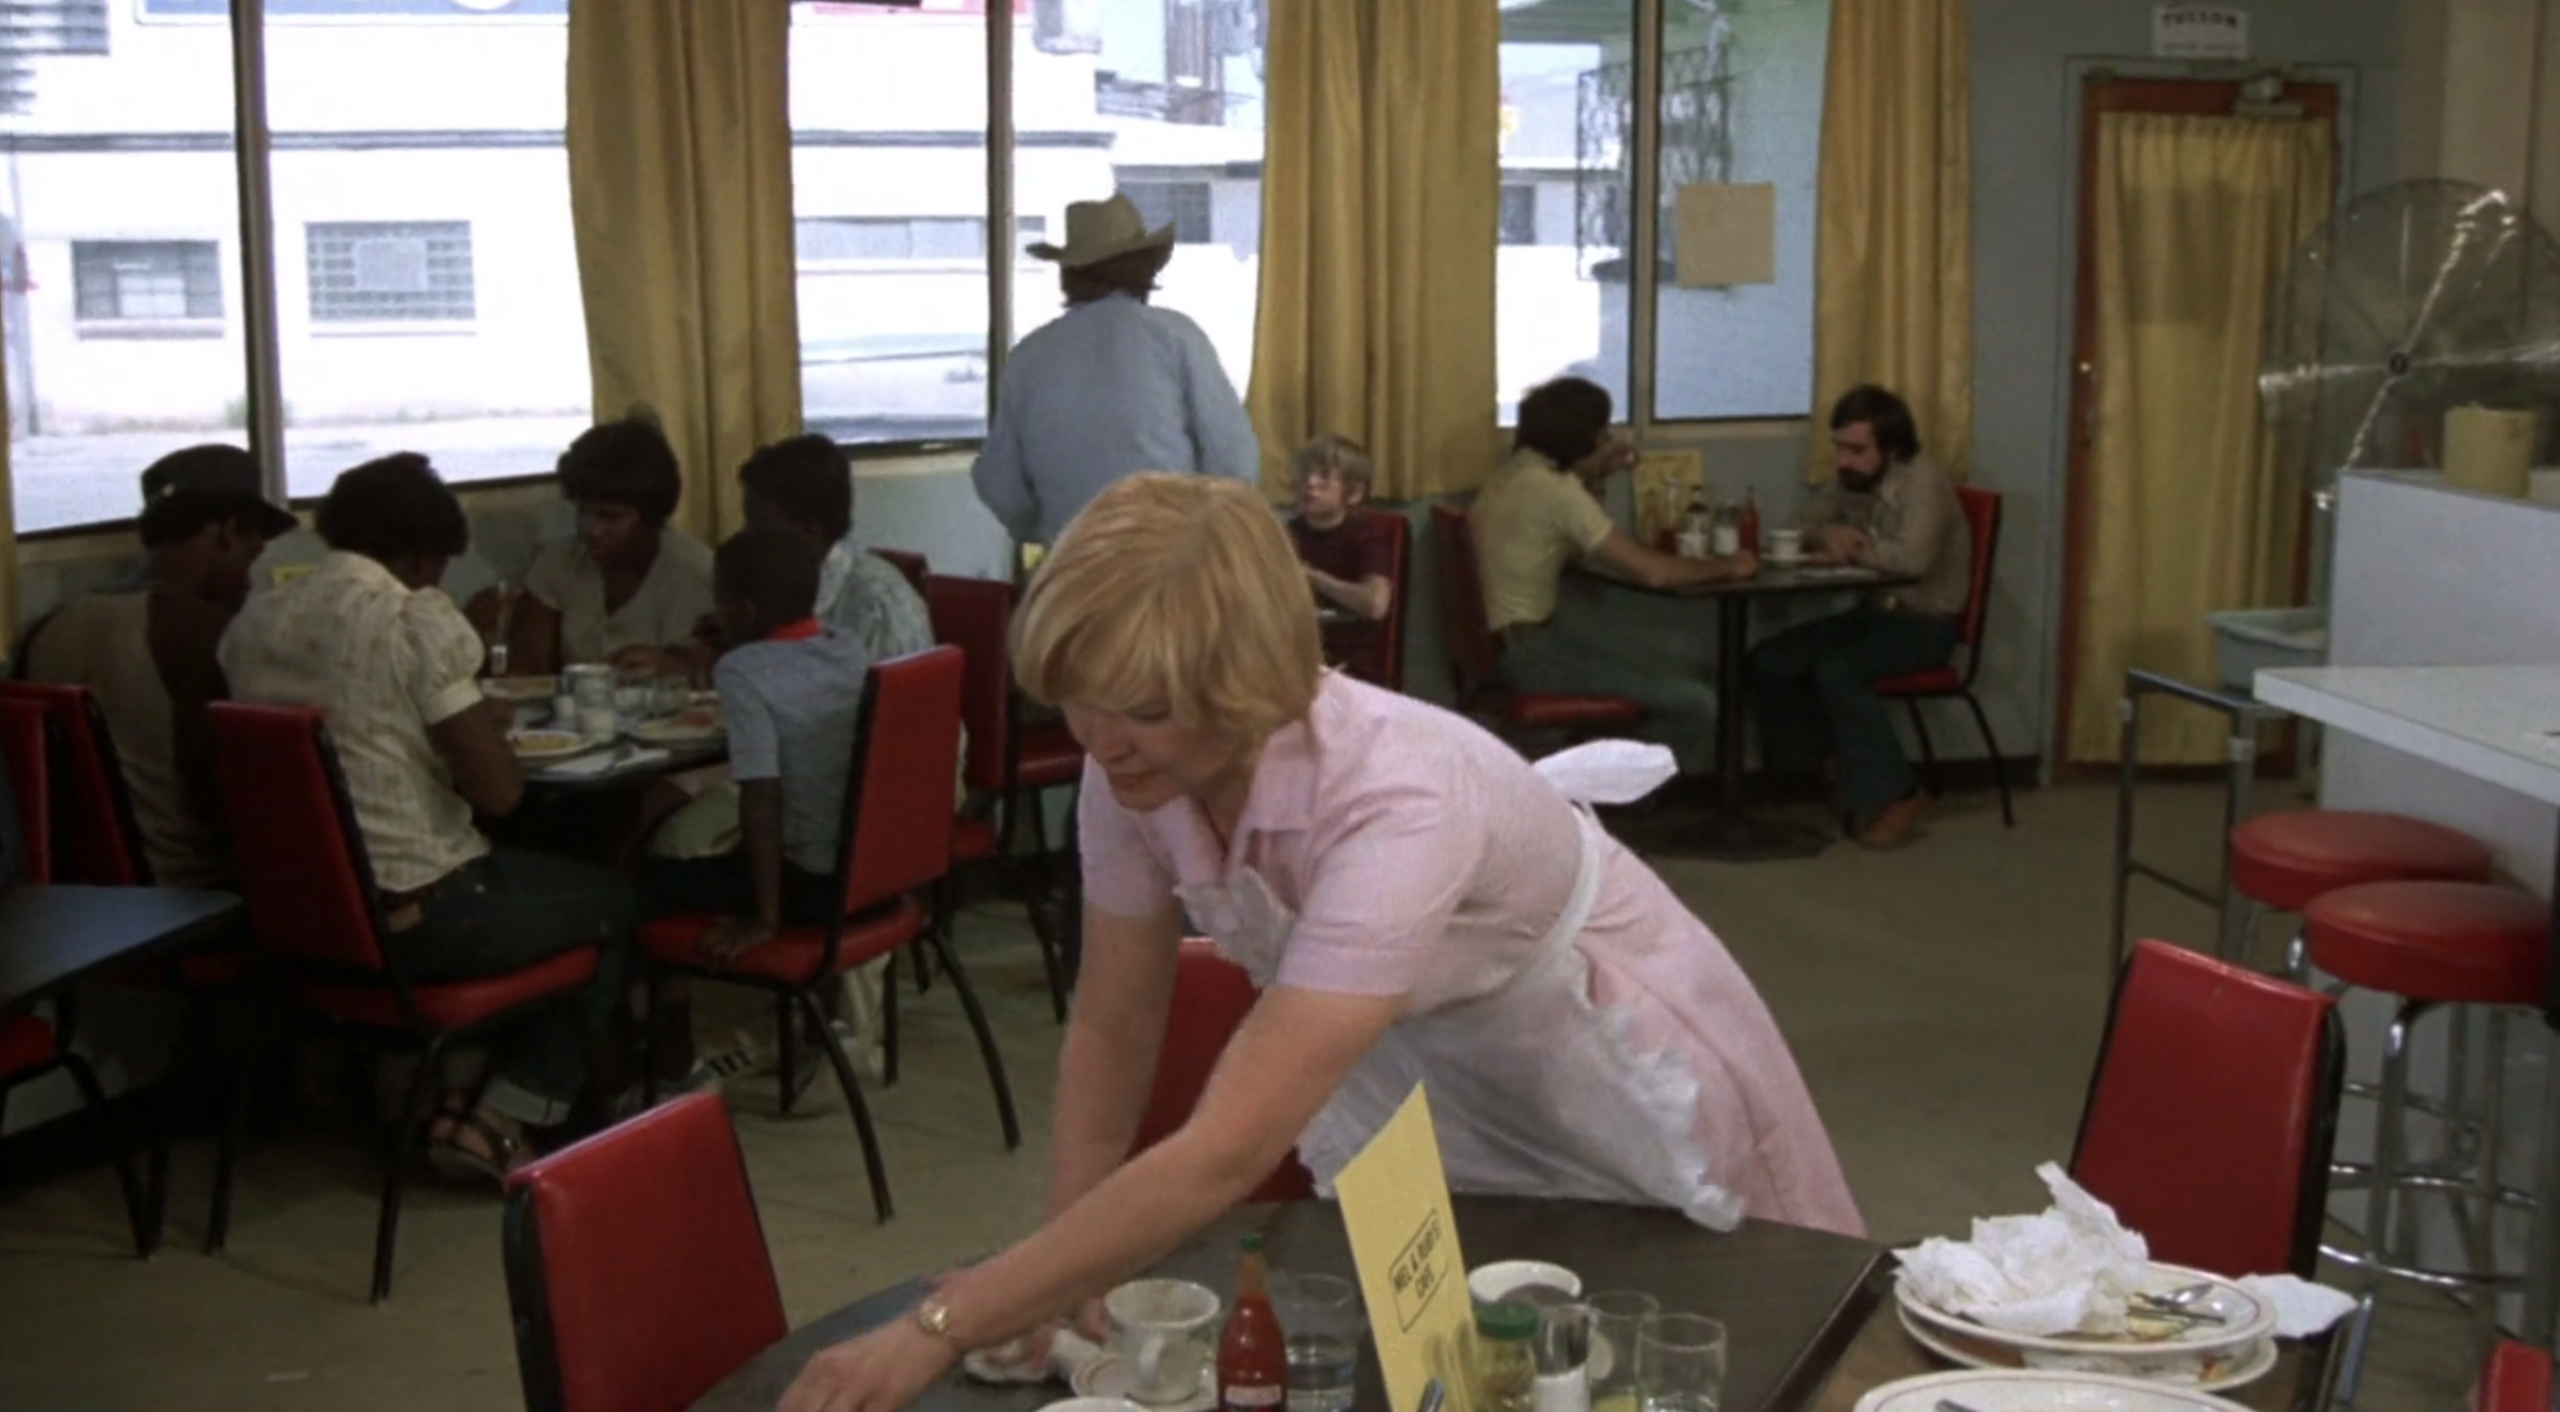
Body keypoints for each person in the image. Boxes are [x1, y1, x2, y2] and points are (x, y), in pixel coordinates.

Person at [777, 474, 1859, 1412]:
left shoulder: (1399, 801)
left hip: (1598, 1048)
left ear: (1246, 679)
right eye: (1078, 700)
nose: (1102, 742)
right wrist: (1061, 1269)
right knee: (1485, 1349)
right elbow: (1112, 1023)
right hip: (1441, 1055)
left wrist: (945, 1320)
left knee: (1690, 1340)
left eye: (1142, 707)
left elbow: (1227, 1147)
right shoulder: (1134, 774)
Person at [220, 454, 639, 1182]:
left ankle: (450, 1096)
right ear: (420, 558)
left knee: (546, 894)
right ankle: (506, 1111)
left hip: (305, 923)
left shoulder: (257, 621)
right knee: (615, 898)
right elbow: (500, 796)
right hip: (426, 918)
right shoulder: (411, 618)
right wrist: (479, 729)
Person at [19, 445, 295, 888]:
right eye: (250, 557)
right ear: (227, 533)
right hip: (196, 894)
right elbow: (251, 797)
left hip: (75, 896)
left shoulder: (46, 628)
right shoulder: (204, 635)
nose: (248, 582)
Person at [1471, 377, 1756, 772]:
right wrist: (1731, 565)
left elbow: (1572, 544)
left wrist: (1597, 474)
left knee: (1665, 669)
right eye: (1603, 435)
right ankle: (1615, 792)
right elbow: (1654, 573)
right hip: (1532, 654)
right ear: (1582, 439)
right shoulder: (1556, 490)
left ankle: (1595, 781)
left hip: (1507, 646)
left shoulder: (1512, 475)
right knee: (1697, 702)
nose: (1608, 442)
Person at [970, 193, 1260, 548]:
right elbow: (1235, 461)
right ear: (1145, 267)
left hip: (1074, 557)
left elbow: (999, 485)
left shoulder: (1028, 357)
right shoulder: (1176, 337)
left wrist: (1052, 529)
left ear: (1070, 273)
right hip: (1169, 553)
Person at [1748, 385, 1969, 850]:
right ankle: (1833, 767)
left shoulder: (1922, 484)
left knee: (1838, 669)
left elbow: (1912, 561)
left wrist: (1855, 549)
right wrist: (1825, 532)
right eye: (1840, 448)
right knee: (1770, 658)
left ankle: (1901, 793)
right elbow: (1794, 527)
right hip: (1872, 613)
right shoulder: (1852, 481)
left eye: (1856, 450)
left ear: (1891, 450)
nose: (1844, 460)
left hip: (1924, 620)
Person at [643, 528, 872, 960]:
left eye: (721, 603)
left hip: (810, 886)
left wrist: (766, 919)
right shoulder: (848, 646)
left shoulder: (742, 671)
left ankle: (657, 999)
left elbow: (761, 798)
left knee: (642, 879)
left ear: (746, 611)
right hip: (870, 876)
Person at [497, 415, 715, 677]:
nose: (590, 529)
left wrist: (668, 664)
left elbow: (704, 669)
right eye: (582, 511)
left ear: (652, 518)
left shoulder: (696, 573)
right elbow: (527, 671)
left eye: (610, 517)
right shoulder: (558, 562)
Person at [738, 433, 933, 661]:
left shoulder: (874, 607)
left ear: (808, 532)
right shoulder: (779, 587)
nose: (745, 536)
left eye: (759, 524)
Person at [1285, 434, 1397, 685]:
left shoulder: (1367, 536)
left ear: (1354, 492)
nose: (1310, 483)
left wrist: (1313, 578)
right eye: (1305, 474)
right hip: (1295, 656)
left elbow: (1375, 604)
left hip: (1349, 663)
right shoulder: (1288, 533)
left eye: (1324, 476)